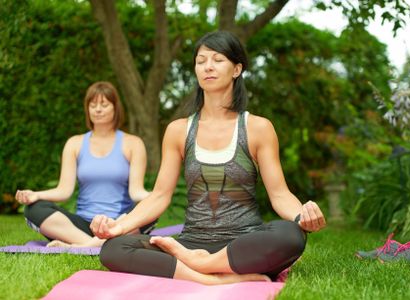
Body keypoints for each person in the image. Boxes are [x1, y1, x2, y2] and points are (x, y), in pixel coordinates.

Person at [90, 31, 326, 285]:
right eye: (201, 61)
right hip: (192, 240)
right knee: (114, 249)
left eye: (217, 60)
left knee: (291, 235)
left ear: (236, 69)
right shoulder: (179, 130)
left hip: (243, 241)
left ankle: (200, 265)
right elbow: (159, 196)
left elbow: (279, 194)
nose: (208, 67)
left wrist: (302, 217)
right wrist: (119, 228)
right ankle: (214, 279)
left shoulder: (258, 128)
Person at [15, 81, 153, 248]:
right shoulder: (75, 143)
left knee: (149, 209)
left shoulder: (133, 143)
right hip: (82, 227)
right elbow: (64, 191)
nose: (98, 109)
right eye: (92, 105)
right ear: (87, 109)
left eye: (104, 104)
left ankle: (82, 247)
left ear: (116, 108)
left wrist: (156, 197)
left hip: (118, 224)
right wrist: (36, 195)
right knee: (33, 209)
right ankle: (93, 244)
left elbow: (136, 192)